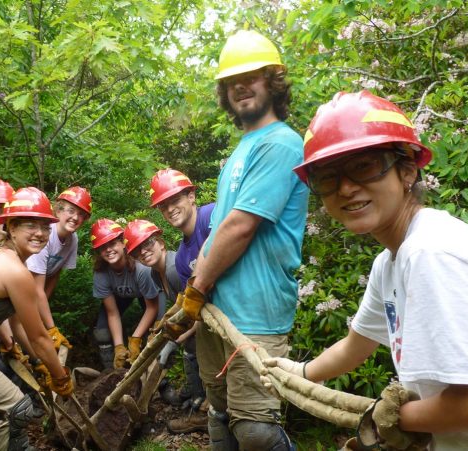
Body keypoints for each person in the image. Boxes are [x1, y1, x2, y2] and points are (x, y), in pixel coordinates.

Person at [262, 90, 468, 450]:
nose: (346, 188)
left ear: (407, 170)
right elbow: (356, 346)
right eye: (327, 177)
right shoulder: (391, 262)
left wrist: (384, 421)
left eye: (364, 165)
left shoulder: (432, 252)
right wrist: (297, 373)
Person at [169, 29, 309, 450]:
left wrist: (195, 288)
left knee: (255, 430)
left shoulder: (282, 143)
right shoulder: (239, 152)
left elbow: (239, 227)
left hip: (255, 313)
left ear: (273, 82)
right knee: (220, 416)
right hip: (217, 311)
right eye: (232, 81)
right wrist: (194, 299)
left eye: (252, 76)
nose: (240, 86)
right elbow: (217, 231)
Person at [0, 187, 74, 450]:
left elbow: (17, 323)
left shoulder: (4, 256)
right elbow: (39, 336)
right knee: (18, 408)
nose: (40, 233)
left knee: (8, 402)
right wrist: (60, 377)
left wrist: (39, 361)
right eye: (30, 225)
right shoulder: (15, 271)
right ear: (11, 227)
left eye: (45, 226)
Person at [148, 169, 214, 433]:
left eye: (175, 200)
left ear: (191, 196)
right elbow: (196, 304)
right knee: (218, 393)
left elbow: (228, 236)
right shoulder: (184, 256)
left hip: (246, 317)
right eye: (163, 206)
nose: (170, 208)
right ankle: (203, 408)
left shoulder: (211, 215)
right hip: (213, 324)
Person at [25, 186, 92, 354]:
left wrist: (41, 311)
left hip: (33, 294)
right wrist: (51, 328)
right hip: (18, 290)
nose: (76, 217)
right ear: (58, 211)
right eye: (71, 210)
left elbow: (54, 274)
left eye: (81, 214)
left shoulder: (72, 239)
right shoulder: (45, 235)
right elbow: (36, 288)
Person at [90, 218, 162, 370]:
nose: (108, 249)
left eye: (112, 243)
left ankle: (161, 379)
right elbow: (112, 313)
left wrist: (135, 339)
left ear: (123, 243)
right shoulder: (101, 273)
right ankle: (112, 372)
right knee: (102, 332)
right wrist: (119, 346)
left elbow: (152, 308)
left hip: (149, 297)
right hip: (121, 297)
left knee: (157, 330)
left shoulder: (141, 267)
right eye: (103, 247)